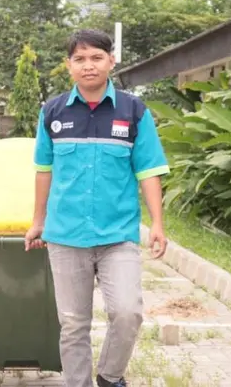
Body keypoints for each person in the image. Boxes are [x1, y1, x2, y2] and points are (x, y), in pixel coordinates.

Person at [24, 29, 170, 387]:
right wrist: (37, 221)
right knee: (73, 323)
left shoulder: (134, 111)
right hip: (66, 235)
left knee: (127, 313)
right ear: (69, 65)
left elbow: (149, 170)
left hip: (117, 235)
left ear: (111, 61)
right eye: (79, 59)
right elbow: (44, 171)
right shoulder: (52, 112)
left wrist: (157, 224)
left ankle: (109, 376)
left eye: (96, 58)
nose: (88, 66)